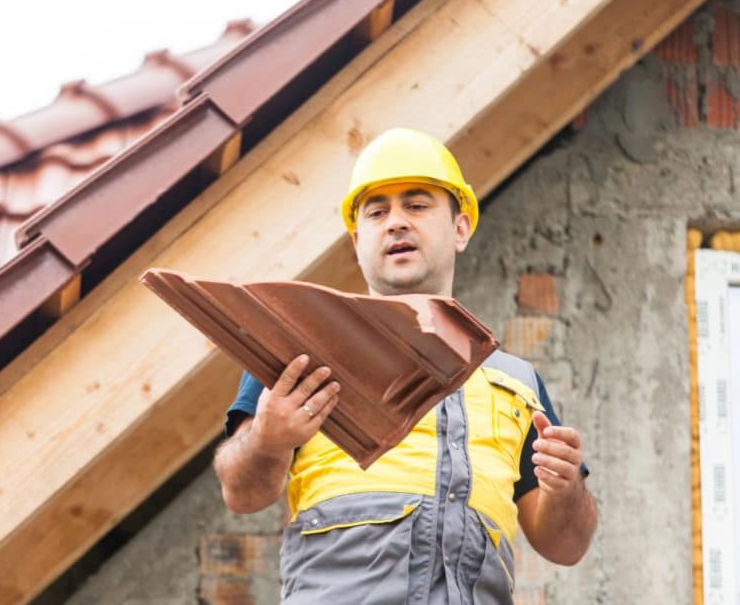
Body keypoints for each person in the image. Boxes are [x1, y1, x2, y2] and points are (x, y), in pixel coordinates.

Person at [213, 128, 597, 603]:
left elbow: (566, 545)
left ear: (460, 228)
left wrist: (565, 491)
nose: (395, 223)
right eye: (377, 212)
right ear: (357, 240)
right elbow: (242, 493)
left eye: (416, 206)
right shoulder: (300, 348)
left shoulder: (516, 381)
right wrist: (267, 441)